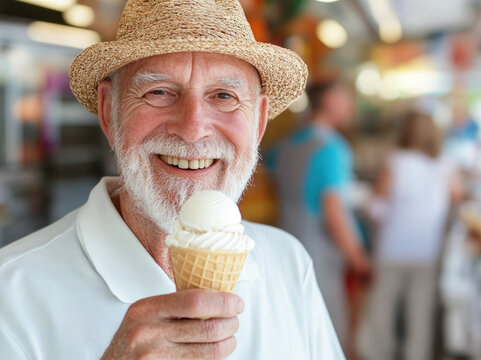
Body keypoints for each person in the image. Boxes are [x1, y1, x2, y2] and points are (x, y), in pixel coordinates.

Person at [0, 0, 345, 359]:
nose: (193, 129)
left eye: (224, 96)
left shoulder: (288, 263)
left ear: (258, 123)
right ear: (108, 112)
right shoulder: (10, 296)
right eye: (159, 92)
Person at [265, 80, 371, 349]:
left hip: (283, 246)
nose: (351, 106)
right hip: (320, 255)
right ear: (330, 100)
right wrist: (358, 258)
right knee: (327, 336)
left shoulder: (285, 145)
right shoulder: (332, 148)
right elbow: (334, 213)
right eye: (346, 98)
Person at [358, 111, 464, 360]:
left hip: (392, 247)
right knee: (420, 312)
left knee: (382, 306)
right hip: (427, 248)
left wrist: (368, 205)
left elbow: (377, 208)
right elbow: (457, 195)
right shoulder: (444, 163)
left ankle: (376, 354)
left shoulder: (395, 161)